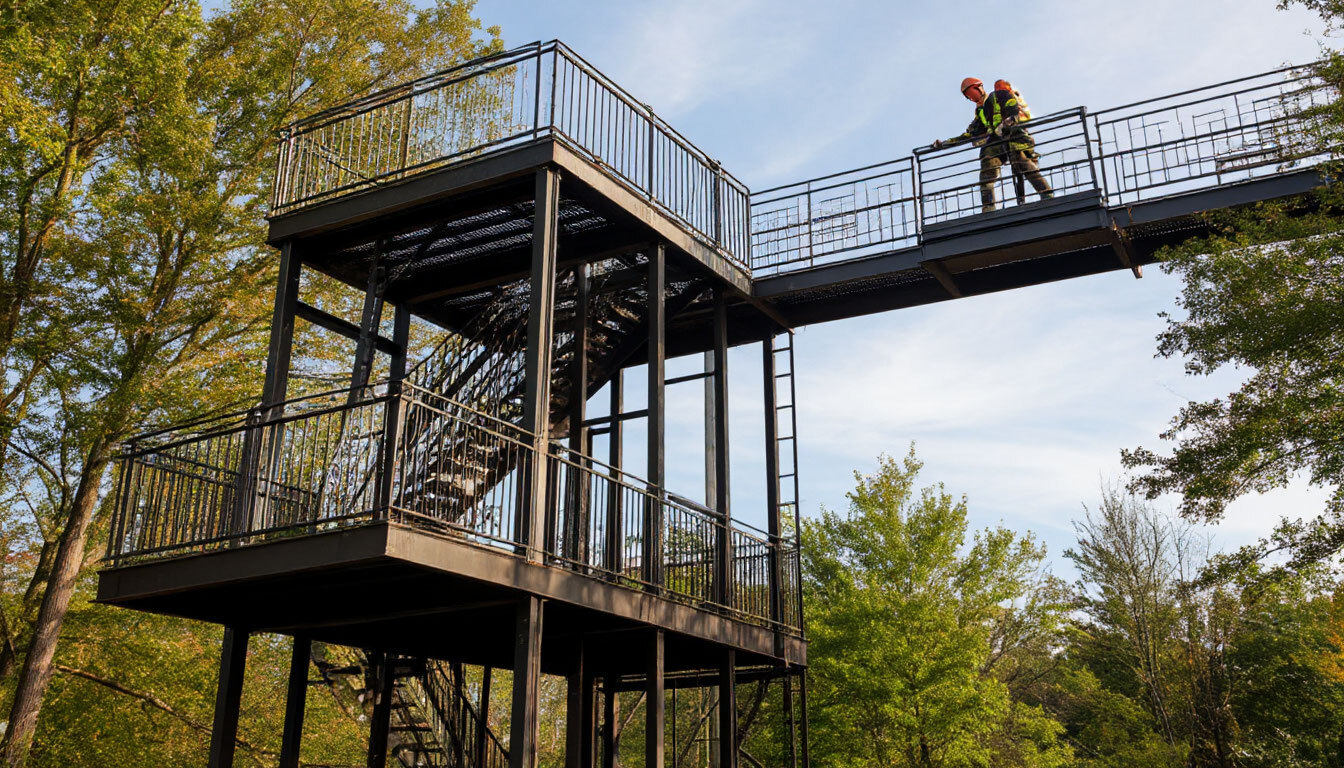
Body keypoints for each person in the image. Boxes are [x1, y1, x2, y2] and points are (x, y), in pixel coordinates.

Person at [932, 77, 1052, 213]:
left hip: (1014, 136)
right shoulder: (980, 112)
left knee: (1023, 162)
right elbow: (971, 133)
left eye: (971, 94)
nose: (971, 98)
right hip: (997, 141)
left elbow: (1014, 110)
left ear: (978, 87)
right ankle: (988, 207)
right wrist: (946, 143)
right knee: (987, 167)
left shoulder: (1000, 95)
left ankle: (1046, 194)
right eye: (968, 97)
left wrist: (1007, 123)